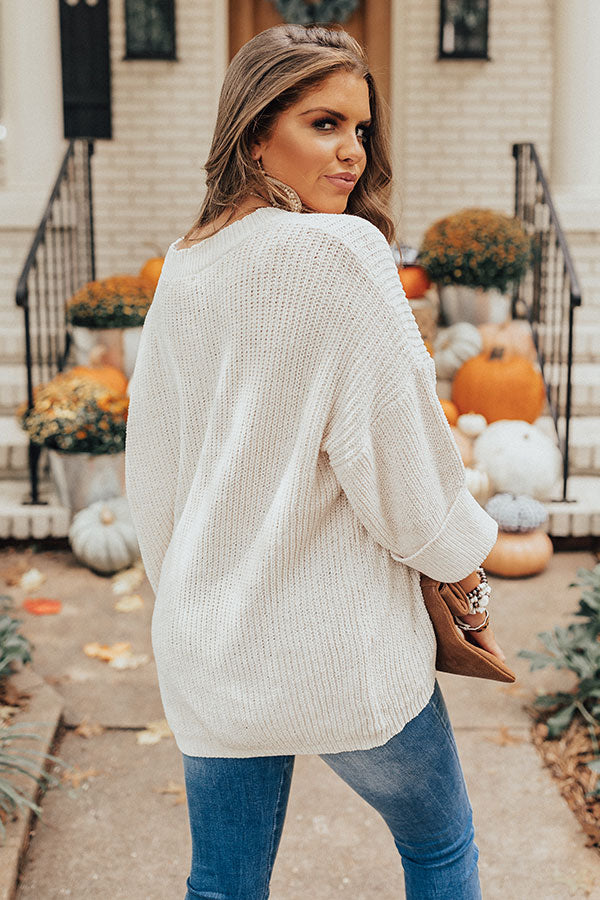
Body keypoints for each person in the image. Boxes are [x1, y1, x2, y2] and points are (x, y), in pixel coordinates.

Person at [124, 22, 506, 900]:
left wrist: (186, 596)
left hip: (213, 644)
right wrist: (465, 573)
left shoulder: (187, 263)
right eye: (324, 124)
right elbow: (402, 468)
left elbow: (155, 469)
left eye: (361, 129)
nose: (353, 153)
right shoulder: (341, 253)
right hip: (341, 646)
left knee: (223, 884)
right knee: (442, 848)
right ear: (257, 132)